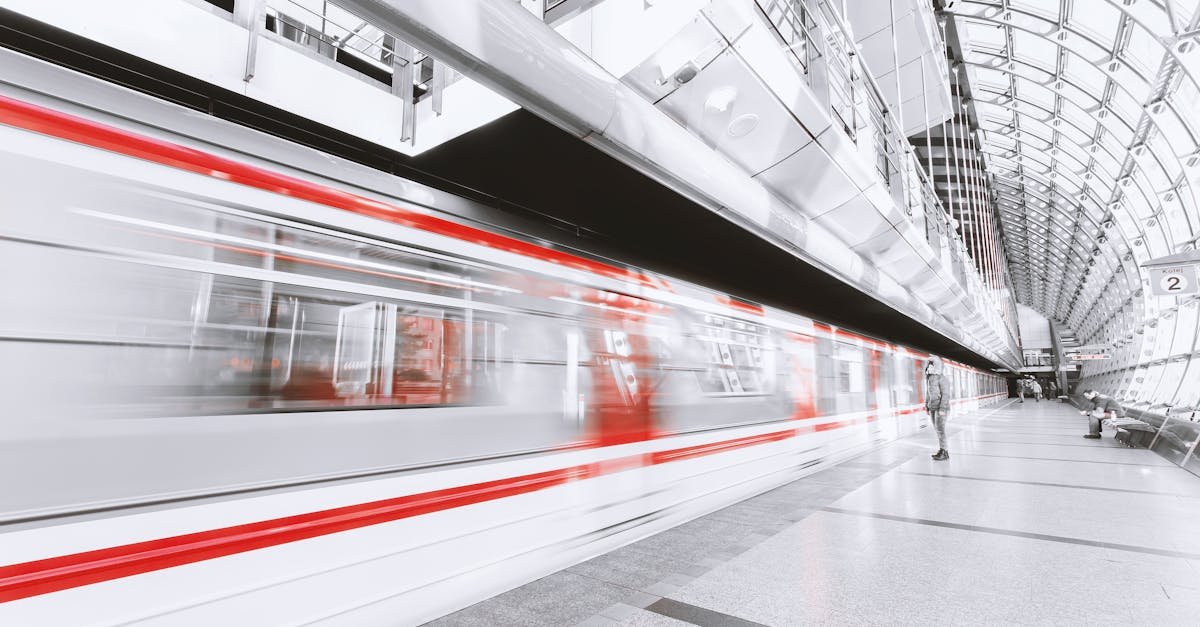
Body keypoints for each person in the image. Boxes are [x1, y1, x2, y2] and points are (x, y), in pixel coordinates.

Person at [925, 356, 951, 460]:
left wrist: (942, 409)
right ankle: (943, 450)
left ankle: (944, 451)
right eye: (929, 364)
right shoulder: (930, 378)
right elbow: (928, 393)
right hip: (932, 408)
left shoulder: (942, 378)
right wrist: (926, 405)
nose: (929, 366)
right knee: (937, 430)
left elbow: (946, 395)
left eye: (932, 363)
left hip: (941, 408)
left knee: (941, 430)